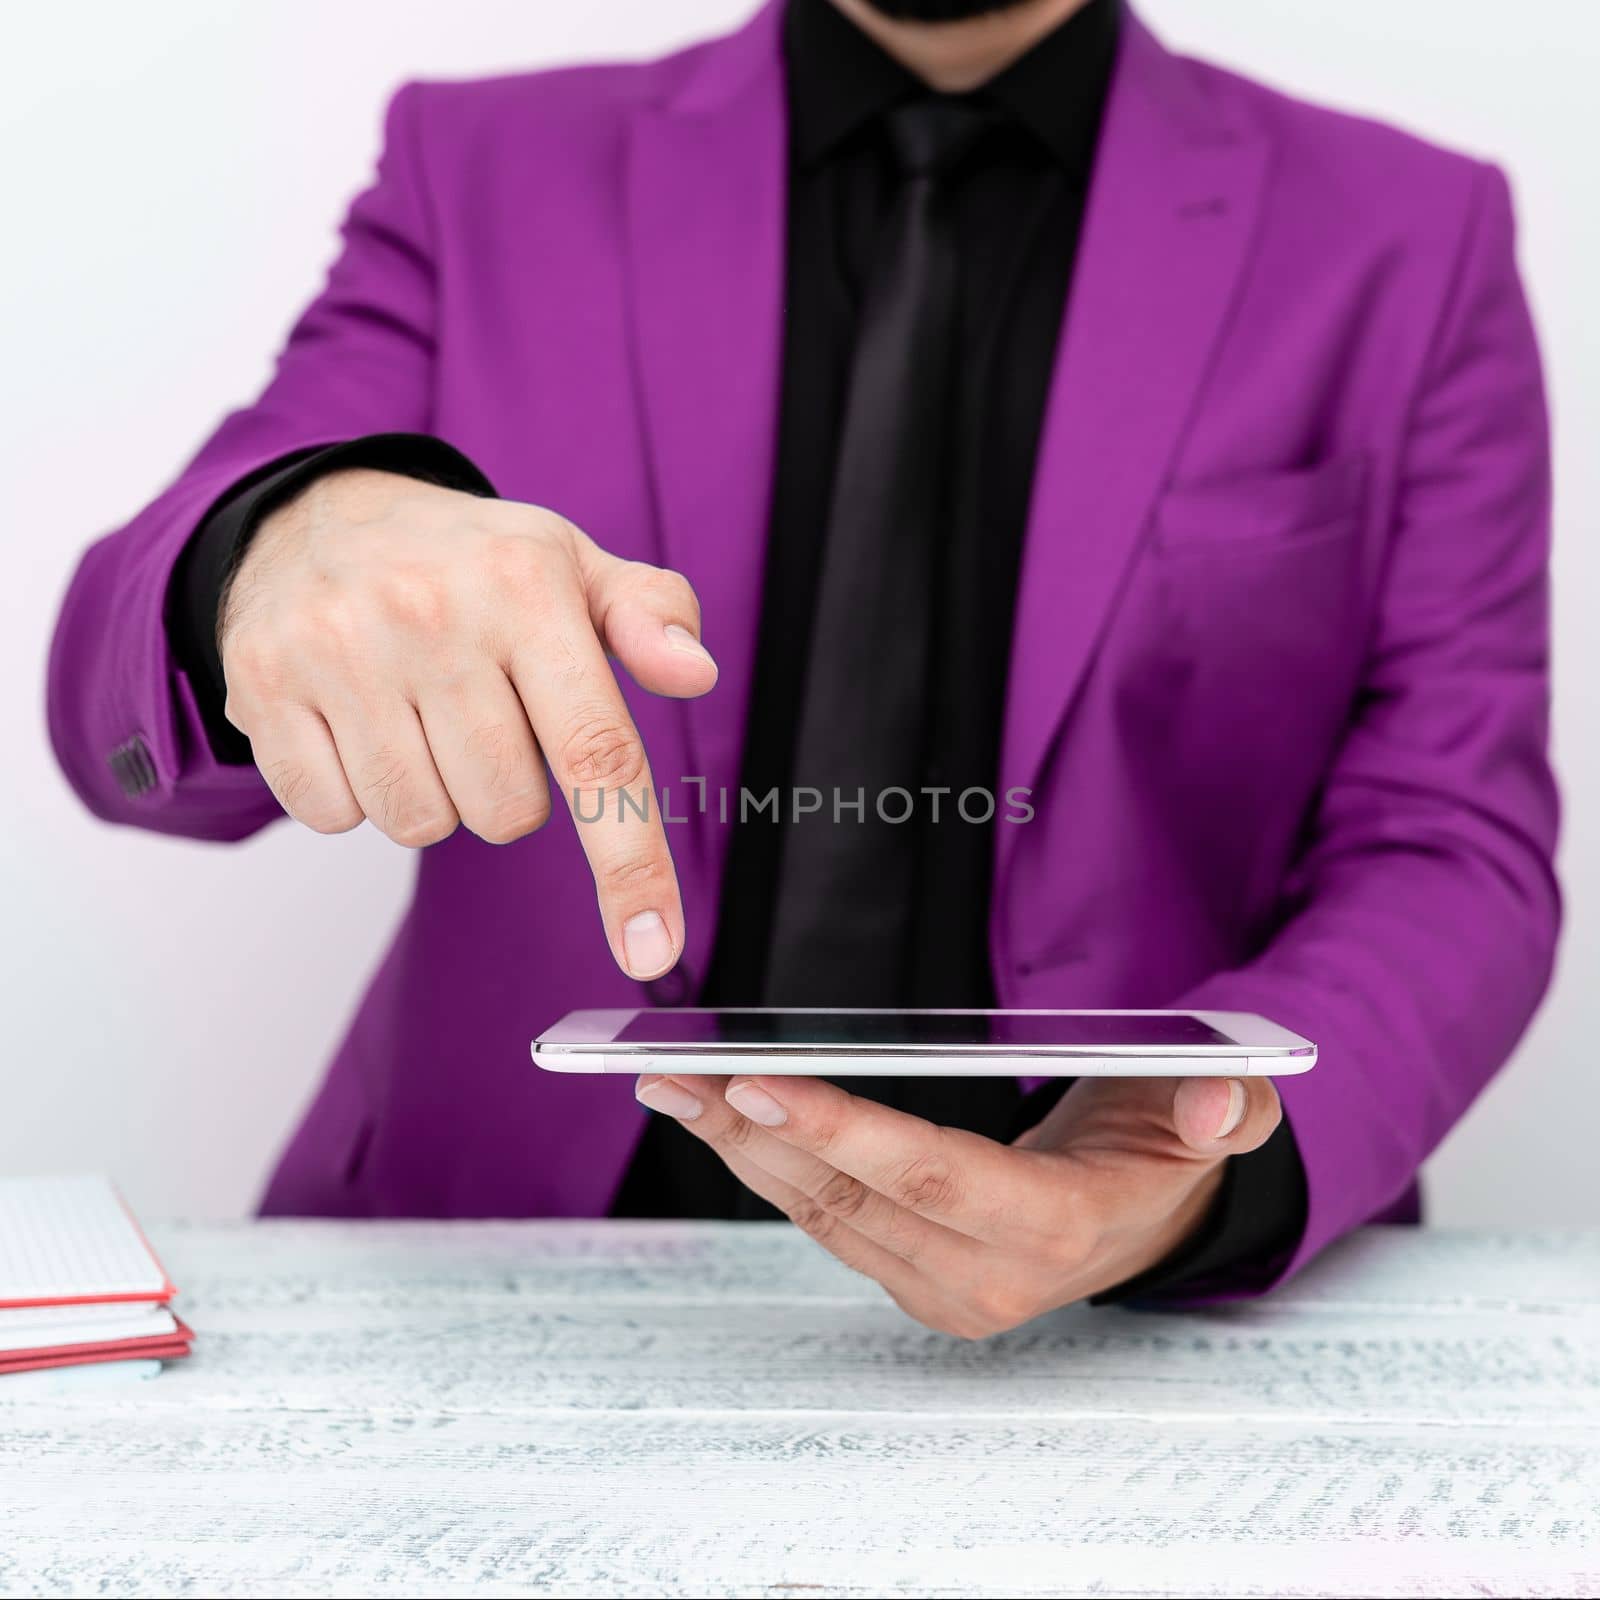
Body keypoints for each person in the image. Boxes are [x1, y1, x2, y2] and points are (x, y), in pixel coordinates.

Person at [47, 0, 1558, 1337]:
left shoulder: (1408, 235)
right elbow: (112, 732)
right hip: (496, 1282)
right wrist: (257, 559)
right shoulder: (484, 167)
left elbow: (1453, 838)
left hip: (1122, 1313)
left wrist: (1194, 1172)